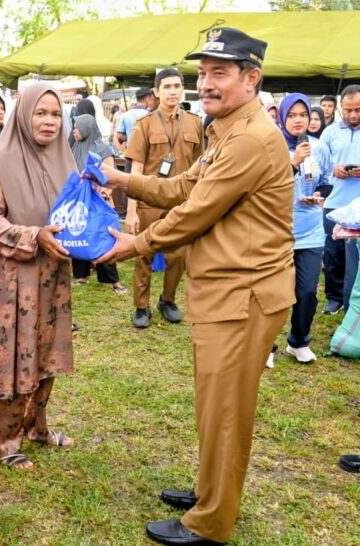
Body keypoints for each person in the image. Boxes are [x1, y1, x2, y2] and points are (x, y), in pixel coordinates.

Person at [95, 28, 294, 545]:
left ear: (252, 79)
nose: (205, 83)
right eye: (202, 73)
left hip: (243, 294)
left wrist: (132, 245)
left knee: (225, 409)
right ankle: (213, 492)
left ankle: (211, 523)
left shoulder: (249, 137)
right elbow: (185, 185)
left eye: (219, 73)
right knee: (214, 405)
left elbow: (193, 213)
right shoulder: (227, 127)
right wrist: (125, 180)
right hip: (227, 289)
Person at [0, 82, 76, 471]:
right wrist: (33, 236)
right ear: (23, 114)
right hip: (14, 277)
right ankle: (3, 439)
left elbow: (74, 213)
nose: (49, 122)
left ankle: (36, 426)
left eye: (55, 114)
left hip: (53, 274)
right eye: (40, 113)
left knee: (47, 351)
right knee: (13, 354)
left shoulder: (64, 160)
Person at [124, 68, 204, 329]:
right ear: (156, 92)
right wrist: (131, 211)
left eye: (177, 86)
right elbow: (136, 169)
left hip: (180, 203)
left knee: (179, 256)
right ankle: (141, 306)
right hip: (149, 201)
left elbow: (200, 166)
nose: (173, 91)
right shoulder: (144, 125)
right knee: (143, 255)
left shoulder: (194, 122)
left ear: (183, 90)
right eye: (167, 87)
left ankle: (167, 300)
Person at [277, 94, 331, 364]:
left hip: (310, 229)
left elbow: (327, 181)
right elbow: (266, 184)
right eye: (292, 115)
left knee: (307, 290)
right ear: (282, 118)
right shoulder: (271, 146)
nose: (298, 120)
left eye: (303, 115)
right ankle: (265, 346)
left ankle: (298, 341)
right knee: (273, 292)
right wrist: (294, 161)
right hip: (276, 230)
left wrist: (318, 194)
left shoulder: (319, 147)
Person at [69, 113, 127, 294]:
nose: (74, 131)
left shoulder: (102, 148)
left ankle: (113, 280)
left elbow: (110, 174)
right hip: (80, 200)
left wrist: (103, 193)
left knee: (103, 238)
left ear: (87, 127)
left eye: (77, 127)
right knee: (79, 235)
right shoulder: (75, 147)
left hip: (99, 201)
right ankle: (81, 274)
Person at [320, 85, 360, 315]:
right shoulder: (330, 132)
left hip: (359, 204)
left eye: (358, 110)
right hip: (335, 203)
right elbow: (318, 165)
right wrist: (333, 169)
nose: (353, 115)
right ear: (340, 108)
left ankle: (354, 299)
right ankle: (334, 298)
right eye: (348, 110)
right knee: (333, 254)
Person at [115, 87, 156, 152]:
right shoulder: (150, 115)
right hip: (146, 153)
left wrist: (130, 137)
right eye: (152, 99)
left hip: (130, 152)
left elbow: (119, 136)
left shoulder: (125, 115)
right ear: (147, 99)